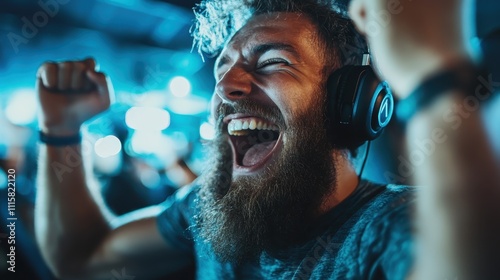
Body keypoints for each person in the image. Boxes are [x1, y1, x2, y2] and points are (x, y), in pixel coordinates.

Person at [34, 0, 499, 280]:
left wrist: (433, 74)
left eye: (273, 61)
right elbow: (79, 257)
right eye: (223, 70)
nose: (226, 88)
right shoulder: (206, 208)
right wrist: (60, 131)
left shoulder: (389, 228)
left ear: (350, 104)